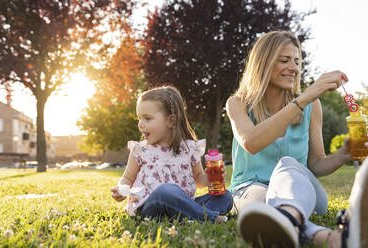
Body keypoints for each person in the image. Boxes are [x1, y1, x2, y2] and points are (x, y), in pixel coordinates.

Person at [226, 30, 367, 247]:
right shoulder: (238, 103)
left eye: (296, 61)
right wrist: (305, 98)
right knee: (262, 206)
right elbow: (251, 143)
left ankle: (288, 216)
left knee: (288, 165)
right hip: (251, 190)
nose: (294, 67)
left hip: (302, 190)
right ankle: (327, 237)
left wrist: (342, 155)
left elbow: (316, 164)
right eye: (284, 60)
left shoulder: (311, 107)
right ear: (263, 63)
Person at [111, 86, 233, 223]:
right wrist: (122, 189)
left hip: (183, 204)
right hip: (150, 208)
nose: (140, 124)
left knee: (226, 197)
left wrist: (210, 177)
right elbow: (127, 177)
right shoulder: (140, 151)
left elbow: (198, 179)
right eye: (139, 118)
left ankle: (187, 216)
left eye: (147, 118)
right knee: (167, 191)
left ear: (171, 121)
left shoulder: (189, 148)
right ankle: (210, 218)